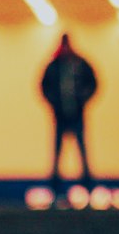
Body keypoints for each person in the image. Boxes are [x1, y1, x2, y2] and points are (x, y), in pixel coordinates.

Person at [40, 34, 98, 195]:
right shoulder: (55, 65)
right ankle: (55, 186)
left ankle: (87, 184)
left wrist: (82, 99)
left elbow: (93, 83)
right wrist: (54, 103)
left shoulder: (79, 64)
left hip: (76, 113)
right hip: (60, 115)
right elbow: (44, 86)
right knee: (58, 151)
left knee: (82, 150)